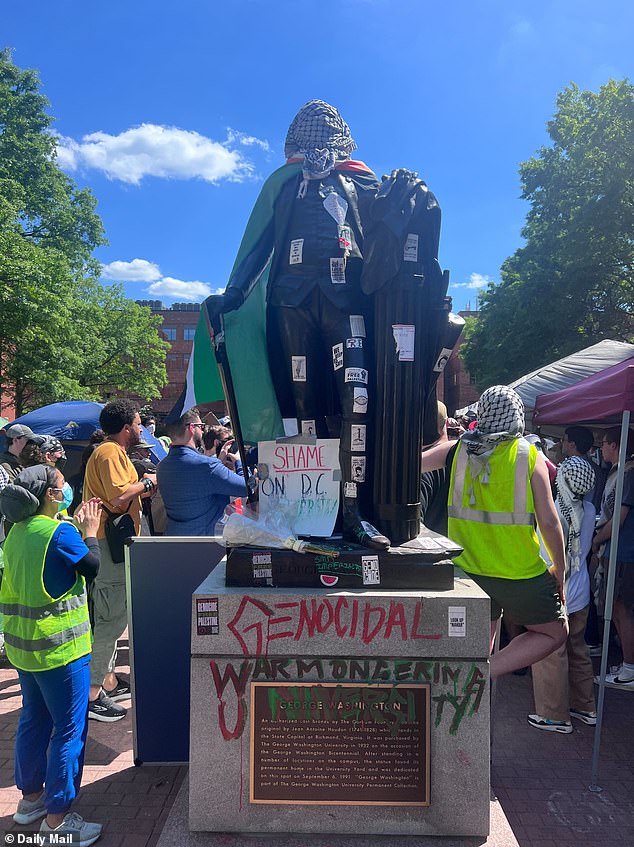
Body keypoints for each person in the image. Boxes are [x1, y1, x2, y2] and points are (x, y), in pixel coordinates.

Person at [207, 100, 389, 550]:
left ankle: (354, 509)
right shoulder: (286, 189)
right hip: (292, 304)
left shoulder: (362, 183)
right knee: (304, 410)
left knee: (358, 400)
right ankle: (315, 511)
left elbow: (389, 233)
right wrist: (233, 292)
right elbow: (260, 245)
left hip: (345, 301)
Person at [423, 385, 568, 678]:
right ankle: (484, 673)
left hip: (466, 572)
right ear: (517, 417)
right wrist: (559, 569)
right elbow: (550, 523)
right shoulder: (529, 456)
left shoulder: (458, 450)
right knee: (555, 632)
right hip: (520, 573)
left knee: (477, 641)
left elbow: (410, 466)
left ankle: (470, 680)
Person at [0, 465, 103, 845]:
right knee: (69, 730)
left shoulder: (16, 531)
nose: (68, 490)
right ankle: (58, 821)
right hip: (61, 651)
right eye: (62, 486)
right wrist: (89, 532)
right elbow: (92, 566)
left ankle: (30, 802)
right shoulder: (60, 532)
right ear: (49, 494)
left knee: (33, 720)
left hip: (24, 650)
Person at [83, 400, 156, 721]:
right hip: (108, 545)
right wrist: (149, 482)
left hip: (111, 543)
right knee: (111, 620)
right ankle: (92, 694)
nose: (142, 429)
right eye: (139, 424)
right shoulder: (110, 452)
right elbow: (117, 497)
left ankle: (107, 682)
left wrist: (140, 486)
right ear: (127, 427)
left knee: (113, 616)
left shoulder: (110, 452)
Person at [528, 456, 597, 732]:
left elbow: (546, 560)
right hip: (582, 593)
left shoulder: (552, 513)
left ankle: (555, 715)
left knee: (550, 654)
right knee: (578, 650)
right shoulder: (590, 509)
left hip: (556, 593)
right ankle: (585, 706)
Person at [157, 410, 247, 536]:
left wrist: (218, 463)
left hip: (175, 541)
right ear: (192, 428)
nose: (203, 431)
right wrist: (239, 462)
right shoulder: (207, 466)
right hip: (205, 545)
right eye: (201, 426)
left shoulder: (162, 467)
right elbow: (247, 487)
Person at [591, 427, 634, 689]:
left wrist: (597, 539)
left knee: (621, 609)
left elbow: (619, 517)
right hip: (617, 550)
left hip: (624, 552)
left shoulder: (627, 474)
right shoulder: (620, 472)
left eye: (604, 443)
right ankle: (628, 664)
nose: (601, 448)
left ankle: (629, 667)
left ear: (615, 445)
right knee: (616, 609)